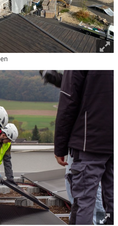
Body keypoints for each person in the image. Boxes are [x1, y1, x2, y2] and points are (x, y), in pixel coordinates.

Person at [40, 70, 106, 224]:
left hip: (88, 141)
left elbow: (70, 101)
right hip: (98, 139)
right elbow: (84, 86)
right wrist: (57, 78)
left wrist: (60, 148)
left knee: (86, 190)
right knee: (87, 190)